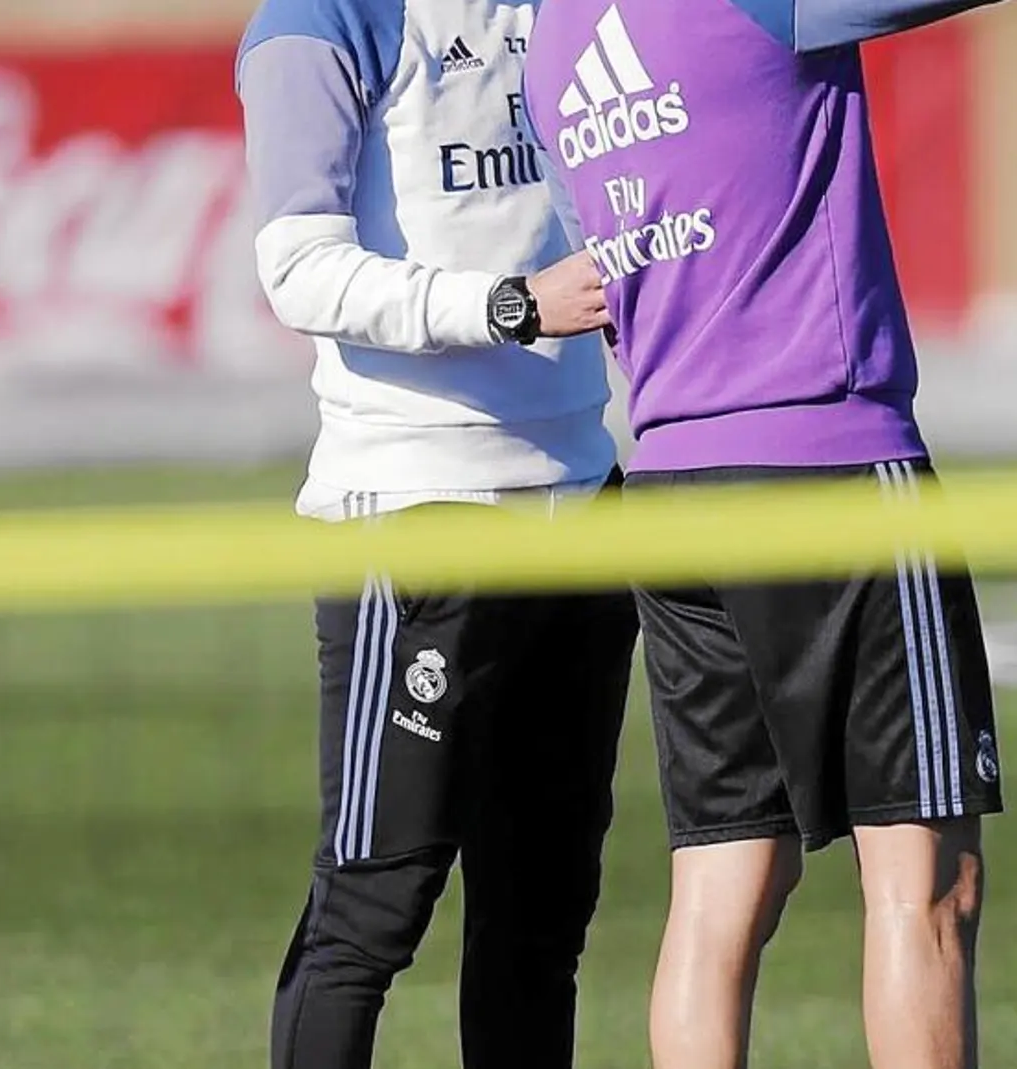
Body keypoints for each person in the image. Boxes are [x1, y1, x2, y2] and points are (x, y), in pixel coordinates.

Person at [523, 2, 1006, 1067]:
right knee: (924, 884)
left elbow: (603, 278)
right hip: (826, 465)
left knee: (723, 884)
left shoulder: (552, 43)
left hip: (675, 483)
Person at [236, 0, 639, 1066]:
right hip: (413, 512)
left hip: (584, 508)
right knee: (372, 908)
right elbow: (295, 268)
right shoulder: (324, 19)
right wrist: (509, 306)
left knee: (543, 915)